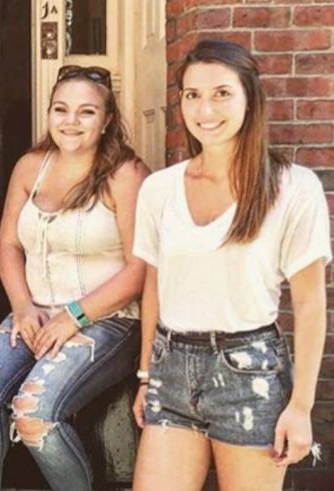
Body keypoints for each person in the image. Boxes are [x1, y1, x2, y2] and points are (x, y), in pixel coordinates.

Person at [132, 39, 330, 491]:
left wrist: (300, 407)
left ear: (249, 98)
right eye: (192, 95)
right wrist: (146, 375)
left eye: (222, 93)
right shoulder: (159, 189)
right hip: (172, 367)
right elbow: (154, 287)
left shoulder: (292, 188)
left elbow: (310, 302)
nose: (206, 109)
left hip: (250, 373)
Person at [0, 65, 149, 491]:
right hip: (36, 311)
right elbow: (8, 245)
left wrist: (74, 317)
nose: (71, 121)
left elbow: (140, 269)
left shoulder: (126, 174)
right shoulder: (31, 166)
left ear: (107, 120)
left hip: (108, 319)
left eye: (86, 112)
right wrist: (22, 306)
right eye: (61, 109)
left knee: (33, 410)